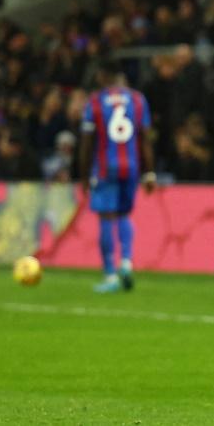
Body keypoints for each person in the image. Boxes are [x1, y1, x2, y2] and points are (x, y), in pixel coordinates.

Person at [78, 59, 155, 294]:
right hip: (131, 166)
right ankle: (127, 262)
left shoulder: (95, 101)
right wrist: (149, 172)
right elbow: (145, 138)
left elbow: (87, 142)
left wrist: (83, 176)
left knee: (106, 218)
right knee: (124, 214)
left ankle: (110, 274)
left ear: (103, 77)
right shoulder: (138, 100)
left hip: (105, 167)